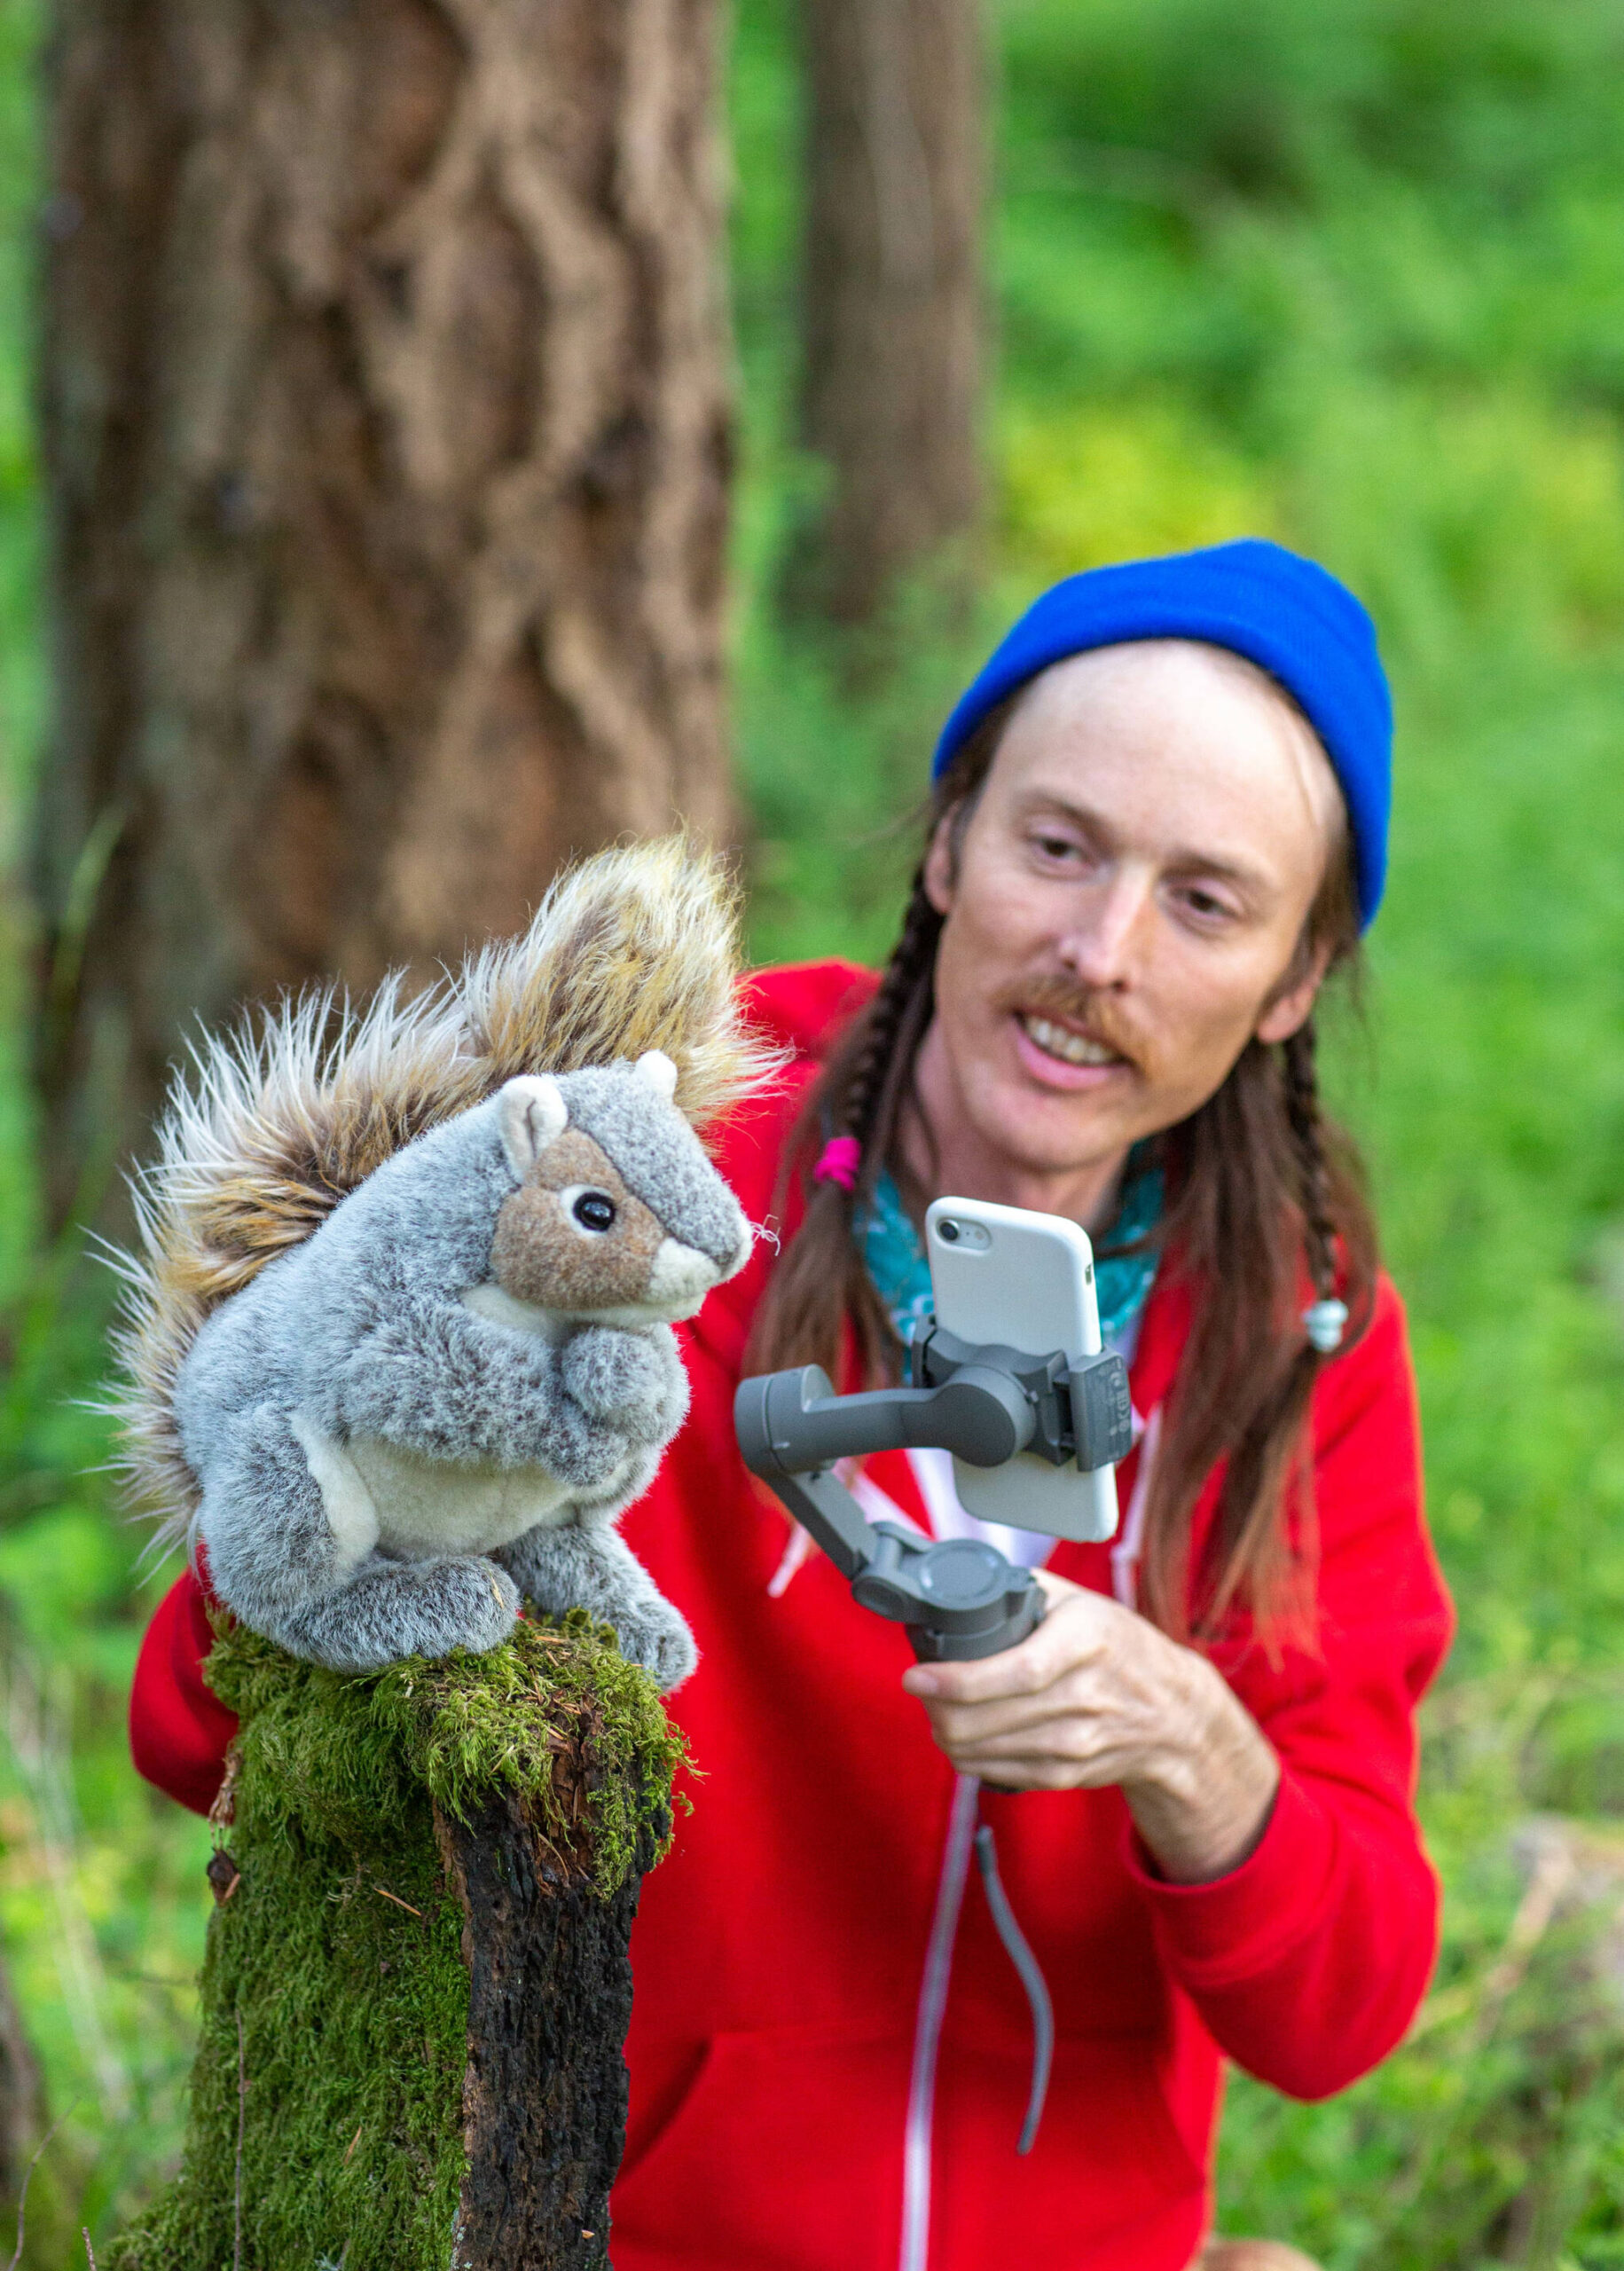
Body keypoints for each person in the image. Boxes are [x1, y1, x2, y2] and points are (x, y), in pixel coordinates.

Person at [129, 540, 1453, 2271]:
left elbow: (1337, 2007)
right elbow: (186, 1719)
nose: (1097, 950)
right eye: (1058, 846)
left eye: (1203, 901)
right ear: (948, 842)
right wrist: (376, 1433)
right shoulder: (660, 1174)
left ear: (1288, 982)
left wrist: (1186, 1739)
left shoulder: (1298, 1331)